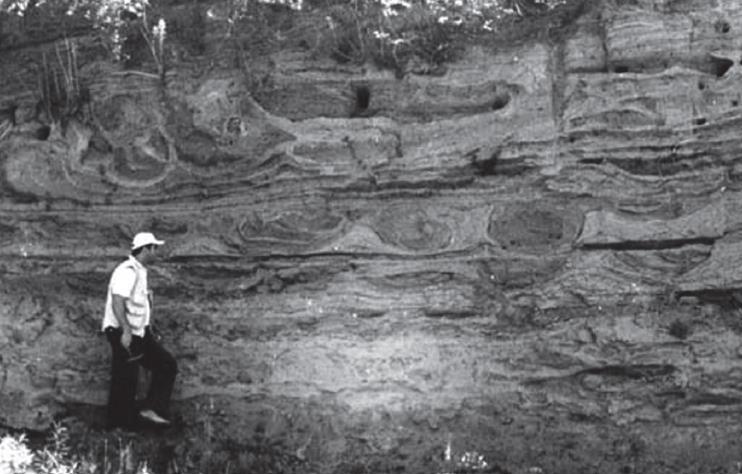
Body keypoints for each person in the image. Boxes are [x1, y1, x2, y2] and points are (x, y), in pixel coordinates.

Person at [102, 231, 177, 429]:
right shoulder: (127, 271)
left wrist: (147, 328)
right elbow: (118, 302)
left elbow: (138, 305)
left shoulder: (139, 271)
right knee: (125, 378)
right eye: (154, 248)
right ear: (145, 249)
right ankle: (118, 427)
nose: (157, 252)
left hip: (138, 333)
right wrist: (126, 331)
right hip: (122, 332)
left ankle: (150, 409)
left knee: (166, 365)